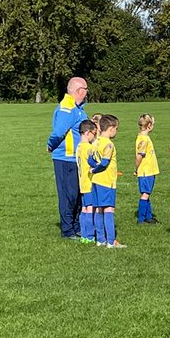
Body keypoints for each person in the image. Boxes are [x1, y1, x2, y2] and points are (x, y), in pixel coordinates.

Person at [46, 77, 89, 238]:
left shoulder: (78, 109)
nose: (87, 92)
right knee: (68, 195)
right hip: (66, 158)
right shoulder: (67, 108)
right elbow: (58, 132)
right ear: (79, 91)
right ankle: (67, 230)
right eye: (86, 89)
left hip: (77, 158)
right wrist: (50, 145)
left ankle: (77, 226)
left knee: (77, 194)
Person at [88, 115, 124, 248]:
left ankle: (100, 240)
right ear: (111, 128)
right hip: (106, 181)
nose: (116, 131)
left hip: (96, 181)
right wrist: (95, 169)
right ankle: (111, 241)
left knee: (98, 209)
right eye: (116, 129)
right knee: (109, 209)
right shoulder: (108, 144)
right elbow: (104, 163)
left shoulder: (95, 142)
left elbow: (90, 159)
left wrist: (93, 168)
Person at [74, 118, 99, 242]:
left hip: (82, 181)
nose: (94, 136)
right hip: (89, 182)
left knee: (84, 208)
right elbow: (94, 162)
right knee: (90, 208)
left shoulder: (78, 147)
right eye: (94, 133)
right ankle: (89, 235)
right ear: (88, 133)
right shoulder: (89, 148)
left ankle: (84, 235)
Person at [134, 114, 160, 224]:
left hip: (149, 171)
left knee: (147, 194)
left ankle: (148, 216)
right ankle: (141, 218)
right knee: (145, 194)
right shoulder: (144, 140)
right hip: (146, 171)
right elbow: (139, 156)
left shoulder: (143, 137)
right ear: (149, 125)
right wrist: (136, 168)